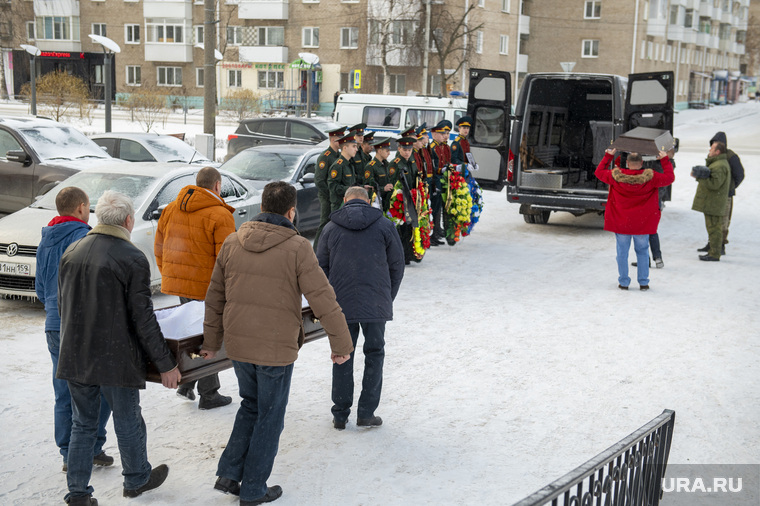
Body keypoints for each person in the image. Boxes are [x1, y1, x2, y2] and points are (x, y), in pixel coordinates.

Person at [202, 181, 353, 505]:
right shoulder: (297, 247)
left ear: (261, 207)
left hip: (239, 344)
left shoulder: (232, 242)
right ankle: (254, 487)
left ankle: (230, 473)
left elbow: (214, 297)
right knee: (269, 414)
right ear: (291, 211)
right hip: (274, 349)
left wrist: (212, 342)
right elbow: (323, 299)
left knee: (251, 405)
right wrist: (342, 344)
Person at [57, 191, 181, 506]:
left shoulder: (72, 250)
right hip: (114, 356)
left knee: (83, 422)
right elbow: (143, 318)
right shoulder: (132, 256)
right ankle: (137, 478)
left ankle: (78, 493)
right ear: (128, 220)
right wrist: (166, 363)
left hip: (75, 352)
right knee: (127, 417)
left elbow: (63, 305)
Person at [35, 187, 113, 473]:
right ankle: (90, 446)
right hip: (81, 325)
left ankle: (69, 452)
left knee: (63, 391)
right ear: (81, 207)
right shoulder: (85, 238)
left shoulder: (46, 240)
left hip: (54, 325)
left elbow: (41, 290)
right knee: (103, 387)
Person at [317, 187, 404, 430]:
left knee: (342, 354)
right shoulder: (385, 226)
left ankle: (340, 414)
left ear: (345, 201)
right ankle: (366, 412)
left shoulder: (330, 228)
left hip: (340, 305)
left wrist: (329, 300)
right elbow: (397, 266)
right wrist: (387, 297)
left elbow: (319, 268)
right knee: (375, 354)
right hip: (376, 303)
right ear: (369, 202)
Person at [154, 166, 234, 410]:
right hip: (207, 287)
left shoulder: (170, 210)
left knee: (190, 332)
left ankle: (186, 383)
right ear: (217, 186)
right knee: (206, 336)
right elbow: (227, 258)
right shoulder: (220, 215)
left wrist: (172, 273)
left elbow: (159, 247)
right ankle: (209, 393)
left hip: (180, 281)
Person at [595, 149, 674, 290]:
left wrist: (609, 155)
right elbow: (669, 178)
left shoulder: (615, 176)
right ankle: (643, 282)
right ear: (642, 163)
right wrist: (664, 159)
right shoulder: (652, 177)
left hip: (622, 222)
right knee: (643, 252)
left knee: (622, 253)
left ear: (627, 163)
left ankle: (624, 282)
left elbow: (599, 172)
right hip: (642, 223)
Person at [698, 132, 745, 255]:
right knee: (713, 220)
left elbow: (740, 174)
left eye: (715, 143)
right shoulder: (714, 156)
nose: (713, 145)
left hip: (726, 194)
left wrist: (730, 187)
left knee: (723, 221)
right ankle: (712, 243)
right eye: (712, 143)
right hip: (714, 193)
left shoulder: (731, 156)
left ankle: (721, 246)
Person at [691, 141, 730, 262]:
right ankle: (713, 251)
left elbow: (715, 184)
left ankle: (714, 253)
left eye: (712, 149)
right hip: (713, 202)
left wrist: (698, 177)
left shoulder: (719, 166)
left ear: (717, 152)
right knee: (713, 228)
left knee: (714, 228)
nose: (709, 150)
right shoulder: (718, 164)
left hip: (714, 203)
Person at [313, 125, 346, 251]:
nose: (342, 142)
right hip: (327, 196)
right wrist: (330, 194)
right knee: (325, 223)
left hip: (335, 196)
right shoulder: (325, 156)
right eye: (340, 139)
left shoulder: (338, 155)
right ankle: (316, 250)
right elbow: (320, 181)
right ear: (333, 139)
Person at [388, 136, 419, 265]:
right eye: (404, 149)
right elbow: (392, 184)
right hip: (400, 202)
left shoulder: (411, 162)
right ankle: (400, 257)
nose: (407, 152)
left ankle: (408, 254)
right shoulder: (395, 164)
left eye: (409, 149)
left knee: (408, 228)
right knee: (400, 230)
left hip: (411, 200)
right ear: (399, 149)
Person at [429, 120, 452, 244]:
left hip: (444, 180)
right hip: (436, 180)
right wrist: (441, 170)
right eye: (442, 133)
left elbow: (448, 162)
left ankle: (437, 229)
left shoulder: (445, 147)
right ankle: (434, 231)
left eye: (446, 133)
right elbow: (433, 168)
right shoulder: (432, 147)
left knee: (440, 206)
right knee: (435, 207)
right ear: (434, 134)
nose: (445, 136)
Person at [327, 132, 360, 211]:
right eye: (354, 146)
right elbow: (333, 186)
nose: (356, 149)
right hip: (340, 206)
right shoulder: (338, 165)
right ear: (345, 148)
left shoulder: (349, 164)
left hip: (349, 204)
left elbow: (352, 183)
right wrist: (349, 189)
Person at [368, 137, 394, 210]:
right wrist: (383, 189)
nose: (389, 153)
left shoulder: (386, 165)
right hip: (376, 203)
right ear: (379, 151)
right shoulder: (371, 166)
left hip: (386, 201)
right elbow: (368, 188)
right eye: (387, 151)